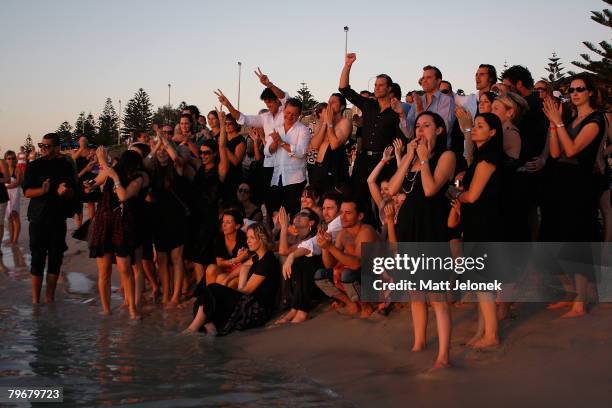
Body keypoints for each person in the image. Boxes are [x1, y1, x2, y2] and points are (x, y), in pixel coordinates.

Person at [387, 111, 456, 369]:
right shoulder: (412, 158)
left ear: (439, 130)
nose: (420, 130)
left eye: (427, 125)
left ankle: (443, 356)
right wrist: (407, 158)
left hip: (432, 230)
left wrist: (425, 160)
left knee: (436, 295)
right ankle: (418, 342)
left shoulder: (446, 156)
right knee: (416, 292)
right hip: (409, 228)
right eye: (417, 126)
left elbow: (429, 190)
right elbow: (393, 189)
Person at [542, 74, 606, 318]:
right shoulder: (569, 120)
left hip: (581, 186)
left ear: (590, 92)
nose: (575, 93)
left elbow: (572, 149)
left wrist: (558, 123)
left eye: (580, 89)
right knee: (559, 238)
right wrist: (552, 124)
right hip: (563, 185)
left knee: (578, 240)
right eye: (572, 90)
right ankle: (572, 294)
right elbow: (557, 152)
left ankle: (581, 301)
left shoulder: (595, 120)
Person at [448, 113, 503, 349]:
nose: (476, 129)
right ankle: (482, 331)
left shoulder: (488, 158)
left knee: (483, 283)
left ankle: (491, 336)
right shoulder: (482, 156)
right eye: (476, 125)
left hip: (485, 224)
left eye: (481, 126)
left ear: (492, 132)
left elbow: (472, 195)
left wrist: (453, 193)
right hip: (479, 222)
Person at [339, 53, 403, 225]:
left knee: (381, 201)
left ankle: (383, 232)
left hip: (384, 161)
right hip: (362, 159)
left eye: (381, 85)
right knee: (358, 197)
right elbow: (344, 90)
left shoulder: (397, 111)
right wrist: (348, 65)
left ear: (390, 88)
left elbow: (401, 137)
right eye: (375, 85)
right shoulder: (368, 104)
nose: (377, 88)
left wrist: (402, 114)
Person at [183, 223, 280, 336]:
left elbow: (247, 290)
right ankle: (210, 329)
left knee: (212, 290)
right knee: (202, 299)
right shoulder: (257, 257)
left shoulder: (268, 260)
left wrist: (224, 292)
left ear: (262, 239)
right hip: (247, 301)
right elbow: (241, 268)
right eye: (247, 237)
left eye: (252, 238)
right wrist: (227, 280)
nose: (248, 241)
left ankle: (193, 329)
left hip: (256, 310)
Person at [216, 67, 289, 215]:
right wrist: (228, 105)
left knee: (285, 202)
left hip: (286, 162)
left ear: (277, 101)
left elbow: (284, 98)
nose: (268, 105)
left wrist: (269, 84)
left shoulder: (286, 111)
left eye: (270, 101)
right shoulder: (265, 117)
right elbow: (244, 119)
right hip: (269, 163)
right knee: (270, 202)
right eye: (266, 102)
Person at [88, 148, 146, 319]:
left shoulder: (138, 179)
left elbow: (122, 196)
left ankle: (132, 310)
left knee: (125, 268)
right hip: (104, 223)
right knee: (104, 271)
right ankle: (106, 309)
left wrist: (112, 175)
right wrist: (89, 184)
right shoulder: (110, 172)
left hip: (123, 224)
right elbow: (94, 183)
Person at [22, 133, 77, 304]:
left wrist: (65, 192)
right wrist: (43, 191)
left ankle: (50, 298)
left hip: (57, 219)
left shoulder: (65, 166)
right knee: (37, 259)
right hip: (37, 219)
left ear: (56, 147)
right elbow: (26, 192)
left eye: (47, 146)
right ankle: (35, 301)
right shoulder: (34, 166)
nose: (43, 149)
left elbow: (74, 191)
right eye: (41, 145)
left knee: (55, 258)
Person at [278, 192, 343, 324]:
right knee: (300, 260)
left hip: (335, 269)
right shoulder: (328, 225)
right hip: (327, 266)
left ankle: (302, 310)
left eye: (330, 208)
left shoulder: (338, 223)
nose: (325, 212)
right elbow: (284, 250)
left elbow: (314, 243)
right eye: (324, 208)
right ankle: (296, 308)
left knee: (306, 260)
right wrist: (282, 228)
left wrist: (291, 255)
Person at [502, 65, 549, 240]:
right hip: (522, 166)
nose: (505, 89)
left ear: (519, 83)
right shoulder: (521, 104)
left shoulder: (536, 104)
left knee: (530, 214)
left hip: (532, 168)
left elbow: (549, 133)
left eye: (508, 85)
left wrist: (544, 158)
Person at [314, 198, 379, 318]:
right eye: (341, 213)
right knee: (320, 275)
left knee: (347, 275)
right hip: (358, 275)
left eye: (348, 213)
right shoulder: (342, 234)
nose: (342, 217)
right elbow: (329, 265)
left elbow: (357, 264)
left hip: (377, 277)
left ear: (360, 216)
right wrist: (324, 246)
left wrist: (330, 247)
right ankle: (350, 303)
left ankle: (366, 306)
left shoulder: (366, 231)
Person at [149, 136, 190, 306]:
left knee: (177, 257)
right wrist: (158, 144)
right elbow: (147, 160)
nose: (161, 152)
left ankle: (176, 296)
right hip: (159, 219)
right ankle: (166, 293)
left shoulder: (176, 167)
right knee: (162, 259)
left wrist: (166, 143)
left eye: (164, 149)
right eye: (159, 150)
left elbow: (176, 158)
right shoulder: (153, 169)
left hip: (176, 218)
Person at [266, 98, 311, 216]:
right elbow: (267, 151)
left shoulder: (303, 130)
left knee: (292, 217)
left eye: (293, 114)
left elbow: (301, 152)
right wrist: (275, 144)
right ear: (283, 111)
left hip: (295, 181)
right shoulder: (277, 129)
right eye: (287, 113)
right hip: (277, 178)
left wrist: (281, 142)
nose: (289, 116)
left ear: (299, 115)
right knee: (275, 216)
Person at [308, 94, 352, 196]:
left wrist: (330, 124)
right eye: (329, 102)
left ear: (342, 107)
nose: (329, 105)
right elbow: (314, 145)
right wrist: (324, 124)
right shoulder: (322, 122)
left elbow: (334, 144)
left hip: (333, 168)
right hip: (317, 167)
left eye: (333, 102)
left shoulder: (345, 122)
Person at [403, 65, 455, 140]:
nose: (424, 80)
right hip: (418, 149)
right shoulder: (418, 101)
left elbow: (443, 129)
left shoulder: (447, 100)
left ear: (438, 81)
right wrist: (401, 114)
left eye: (429, 77)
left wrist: (420, 109)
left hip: (438, 150)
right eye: (423, 78)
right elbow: (409, 133)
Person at [205, 209, 250, 287]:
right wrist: (237, 260)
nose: (224, 225)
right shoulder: (219, 239)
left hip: (239, 273)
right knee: (211, 268)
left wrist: (231, 262)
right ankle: (209, 295)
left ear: (237, 226)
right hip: (225, 270)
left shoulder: (244, 238)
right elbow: (220, 263)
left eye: (228, 222)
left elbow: (245, 263)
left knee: (221, 278)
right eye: (223, 222)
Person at [72, 135, 99, 228]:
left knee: (90, 202)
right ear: (78, 141)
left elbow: (96, 162)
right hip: (79, 178)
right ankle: (78, 228)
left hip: (90, 177)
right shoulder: (75, 151)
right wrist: (81, 149)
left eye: (85, 140)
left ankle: (91, 225)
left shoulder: (91, 151)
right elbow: (72, 159)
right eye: (81, 140)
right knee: (78, 204)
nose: (83, 141)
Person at [4, 151, 23, 244]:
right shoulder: (3, 170)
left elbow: (18, 182)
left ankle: (15, 240)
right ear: (6, 159)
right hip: (5, 194)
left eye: (13, 158)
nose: (11, 160)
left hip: (15, 194)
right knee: (9, 217)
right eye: (9, 158)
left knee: (15, 215)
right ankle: (11, 238)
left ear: (15, 159)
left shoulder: (18, 170)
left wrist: (6, 186)